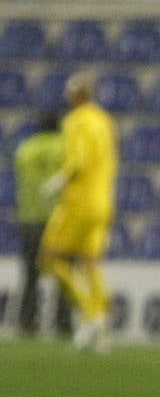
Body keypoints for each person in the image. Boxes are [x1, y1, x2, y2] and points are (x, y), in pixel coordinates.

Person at [38, 71, 118, 352]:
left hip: (79, 201)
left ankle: (89, 312)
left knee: (49, 257)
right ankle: (101, 325)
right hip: (103, 201)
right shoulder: (105, 120)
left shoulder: (75, 121)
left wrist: (58, 181)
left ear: (76, 96)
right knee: (90, 263)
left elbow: (78, 160)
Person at [12, 112, 70, 336]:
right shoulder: (64, 147)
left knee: (30, 275)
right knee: (63, 273)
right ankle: (63, 323)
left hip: (30, 218)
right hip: (59, 220)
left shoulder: (25, 149)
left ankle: (27, 323)